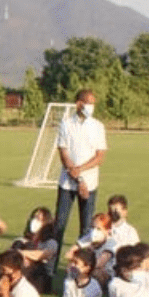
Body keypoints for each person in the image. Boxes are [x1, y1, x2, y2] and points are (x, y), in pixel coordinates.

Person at [53, 88, 106, 270]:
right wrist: (74, 174)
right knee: (59, 227)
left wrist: (81, 174)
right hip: (67, 183)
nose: (91, 107)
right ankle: (50, 273)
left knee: (86, 231)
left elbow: (99, 156)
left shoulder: (98, 126)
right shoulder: (66, 124)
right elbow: (63, 152)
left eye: (93, 103)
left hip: (89, 184)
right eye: (89, 103)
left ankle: (84, 271)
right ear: (79, 104)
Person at [12, 207, 58, 295]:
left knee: (29, 247)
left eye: (39, 219)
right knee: (19, 244)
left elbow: (43, 255)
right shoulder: (23, 240)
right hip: (23, 270)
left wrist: (21, 253)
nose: (35, 221)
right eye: (34, 218)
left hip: (41, 276)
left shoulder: (51, 242)